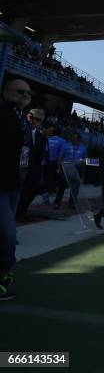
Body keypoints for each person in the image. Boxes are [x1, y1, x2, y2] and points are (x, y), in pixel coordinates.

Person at [0, 78, 30, 300]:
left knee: (9, 233)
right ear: (7, 92)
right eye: (21, 92)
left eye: (28, 94)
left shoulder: (21, 119)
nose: (25, 97)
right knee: (8, 234)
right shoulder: (3, 114)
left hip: (13, 183)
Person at [15, 109, 47, 221]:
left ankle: (21, 212)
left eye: (37, 119)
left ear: (41, 121)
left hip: (33, 171)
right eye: (31, 117)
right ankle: (15, 213)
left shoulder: (41, 137)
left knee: (32, 191)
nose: (33, 121)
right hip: (19, 169)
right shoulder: (20, 129)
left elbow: (40, 156)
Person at [54, 132, 87, 209]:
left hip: (77, 169)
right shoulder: (66, 145)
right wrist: (58, 169)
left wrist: (83, 175)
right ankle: (57, 203)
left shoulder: (83, 148)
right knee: (62, 186)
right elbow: (60, 158)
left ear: (79, 139)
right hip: (66, 168)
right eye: (71, 137)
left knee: (75, 188)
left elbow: (85, 161)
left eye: (74, 138)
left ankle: (72, 203)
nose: (72, 139)